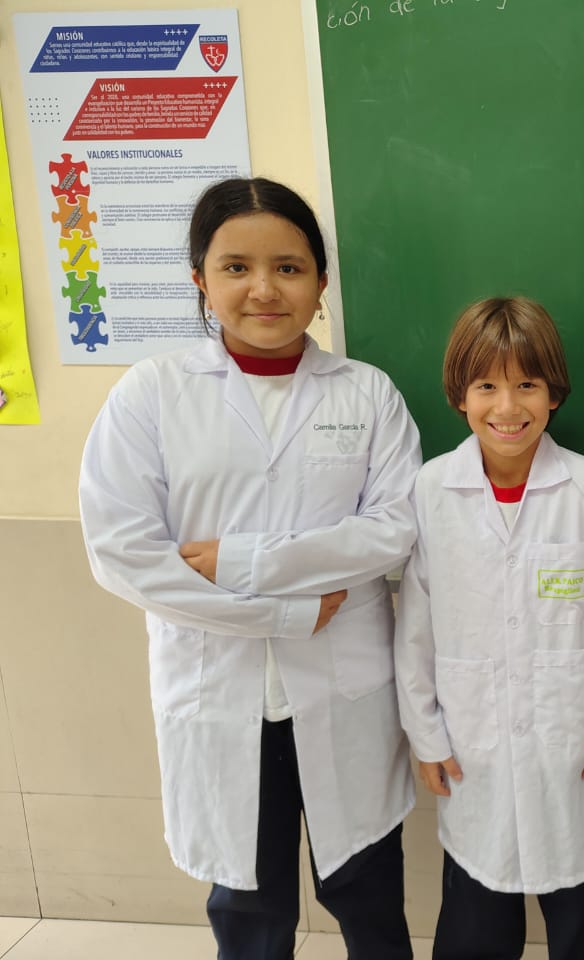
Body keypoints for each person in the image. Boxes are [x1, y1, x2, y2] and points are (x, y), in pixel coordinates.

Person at [78, 178, 421, 958]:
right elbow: (123, 555)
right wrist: (281, 612)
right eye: (236, 267)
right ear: (200, 278)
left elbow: (393, 530)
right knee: (249, 911)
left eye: (290, 268)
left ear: (321, 282)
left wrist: (240, 560)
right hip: (221, 693)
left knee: (368, 896)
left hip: (343, 690)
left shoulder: (367, 395)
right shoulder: (151, 397)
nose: (264, 289)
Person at [394, 296, 584, 960]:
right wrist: (428, 733)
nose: (507, 406)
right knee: (476, 912)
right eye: (487, 386)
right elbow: (415, 630)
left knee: (579, 908)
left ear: (553, 393)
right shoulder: (432, 490)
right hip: (473, 742)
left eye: (527, 384)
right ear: (459, 396)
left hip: (568, 738)